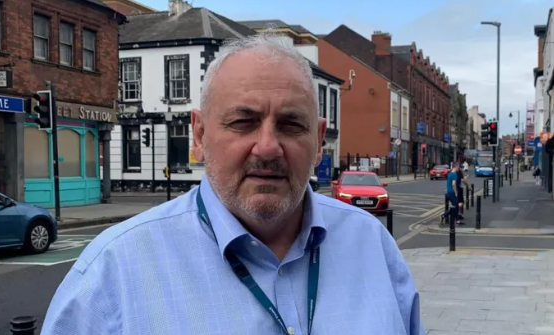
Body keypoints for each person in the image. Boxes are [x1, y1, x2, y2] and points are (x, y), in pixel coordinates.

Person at [41, 33, 424, 335]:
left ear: (319, 140)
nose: (269, 146)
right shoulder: (113, 271)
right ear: (200, 134)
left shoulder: (373, 245)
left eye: (291, 125)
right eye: (243, 122)